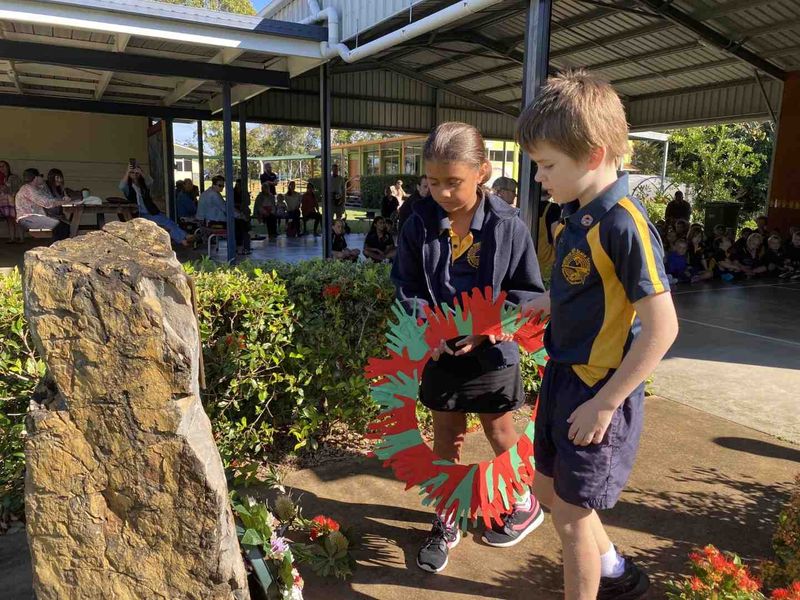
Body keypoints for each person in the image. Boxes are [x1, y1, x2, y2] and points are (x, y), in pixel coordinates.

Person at [516, 70, 678, 599]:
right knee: (546, 490)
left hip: (597, 389)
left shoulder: (625, 224)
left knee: (569, 519)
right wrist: (548, 301)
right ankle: (612, 569)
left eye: (546, 165)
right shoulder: (574, 215)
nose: (539, 177)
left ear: (592, 155)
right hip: (563, 378)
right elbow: (586, 289)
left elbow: (663, 327)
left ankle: (594, 583)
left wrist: (607, 404)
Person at [392, 122, 546, 574]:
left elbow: (526, 290)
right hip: (440, 351)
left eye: (453, 182)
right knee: (446, 437)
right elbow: (405, 284)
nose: (441, 192)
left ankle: (523, 502)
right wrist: (430, 330)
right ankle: (447, 515)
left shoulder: (508, 225)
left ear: (482, 171)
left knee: (501, 431)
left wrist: (489, 328)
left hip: (493, 350)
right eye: (433, 181)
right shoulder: (417, 222)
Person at [119, 164, 191, 247]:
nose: (135, 175)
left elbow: (150, 181)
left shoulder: (143, 185)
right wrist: (127, 172)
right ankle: (184, 239)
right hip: (140, 214)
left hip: (151, 211)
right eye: (132, 173)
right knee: (166, 222)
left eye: (136, 173)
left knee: (169, 221)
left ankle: (184, 238)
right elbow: (121, 186)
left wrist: (142, 172)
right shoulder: (128, 187)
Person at [197, 175, 249, 255]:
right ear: (213, 185)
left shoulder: (207, 192)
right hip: (212, 222)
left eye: (223, 185)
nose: (222, 187)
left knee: (238, 222)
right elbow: (226, 208)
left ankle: (241, 243)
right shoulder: (214, 195)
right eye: (220, 185)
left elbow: (225, 206)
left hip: (205, 221)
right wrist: (240, 215)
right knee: (239, 223)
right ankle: (240, 248)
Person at [14, 168, 71, 241]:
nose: (42, 178)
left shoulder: (35, 188)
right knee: (59, 226)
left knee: (64, 226)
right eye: (41, 176)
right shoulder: (28, 189)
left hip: (33, 218)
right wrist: (63, 202)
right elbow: (46, 203)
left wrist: (62, 199)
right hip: (28, 219)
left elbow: (48, 198)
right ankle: (56, 249)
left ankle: (60, 247)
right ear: (35, 178)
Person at [0, 160, 24, 243]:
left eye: (3, 166)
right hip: (4, 202)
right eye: (0, 166)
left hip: (14, 201)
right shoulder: (1, 178)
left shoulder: (13, 177)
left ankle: (21, 238)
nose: (1, 168)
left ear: (7, 167)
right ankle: (12, 238)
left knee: (16, 219)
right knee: (9, 220)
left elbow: (19, 188)